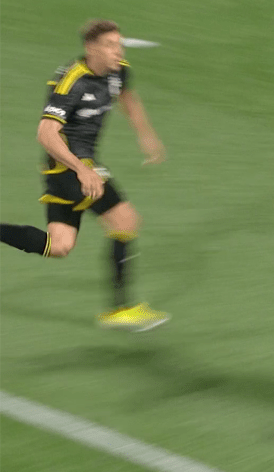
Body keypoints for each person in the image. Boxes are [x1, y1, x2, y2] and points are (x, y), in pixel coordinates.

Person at [0, 19, 169, 331]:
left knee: (59, 245)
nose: (118, 51)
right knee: (126, 221)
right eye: (110, 45)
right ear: (91, 49)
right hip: (68, 167)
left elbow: (128, 97)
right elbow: (46, 134)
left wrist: (145, 134)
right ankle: (121, 309)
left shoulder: (118, 70)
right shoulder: (72, 82)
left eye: (119, 44)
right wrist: (82, 170)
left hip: (76, 168)